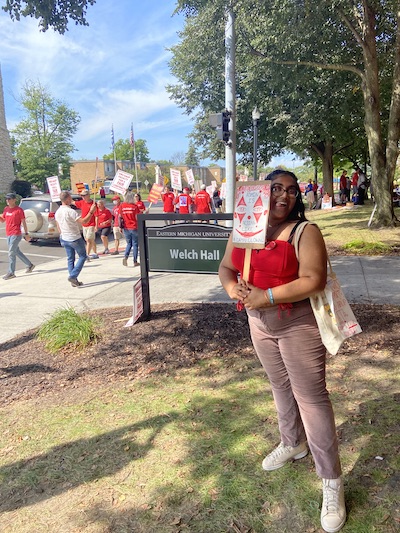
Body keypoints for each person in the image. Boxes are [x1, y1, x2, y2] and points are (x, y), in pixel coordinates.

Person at [218, 169, 346, 533]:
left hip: (297, 324)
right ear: (262, 191)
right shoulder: (247, 226)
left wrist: (267, 296)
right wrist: (233, 289)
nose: (284, 196)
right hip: (259, 323)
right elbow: (226, 267)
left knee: (312, 399)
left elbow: (313, 280)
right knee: (279, 387)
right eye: (276, 188)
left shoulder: (305, 232)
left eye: (291, 190)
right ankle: (292, 443)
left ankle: (332, 481)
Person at [55, 190, 97, 287]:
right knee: (83, 256)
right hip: (74, 237)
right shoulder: (70, 211)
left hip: (64, 237)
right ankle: (73, 276)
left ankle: (74, 280)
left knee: (70, 259)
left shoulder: (58, 212)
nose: (71, 200)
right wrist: (91, 212)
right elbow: (84, 222)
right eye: (70, 198)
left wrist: (62, 234)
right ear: (67, 199)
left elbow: (58, 226)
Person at [0, 192, 35, 280]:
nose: (7, 200)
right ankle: (29, 265)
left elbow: (23, 222)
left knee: (11, 253)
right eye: (7, 199)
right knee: (16, 251)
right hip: (8, 233)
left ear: (14, 200)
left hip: (16, 233)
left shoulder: (19, 210)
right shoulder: (6, 209)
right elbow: (3, 220)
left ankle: (11, 272)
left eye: (9, 199)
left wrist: (26, 233)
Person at [73, 190, 99, 260]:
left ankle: (87, 255)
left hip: (91, 224)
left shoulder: (93, 204)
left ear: (88, 195)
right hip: (84, 224)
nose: (82, 197)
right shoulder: (82, 202)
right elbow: (73, 202)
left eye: (84, 195)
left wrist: (96, 225)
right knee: (91, 240)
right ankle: (95, 252)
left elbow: (96, 215)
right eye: (81, 195)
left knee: (88, 239)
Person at [120, 191, 140, 267]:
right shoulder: (134, 207)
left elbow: (120, 216)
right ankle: (135, 261)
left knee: (129, 244)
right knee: (135, 244)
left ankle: (125, 256)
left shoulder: (122, 206)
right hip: (134, 226)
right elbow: (137, 217)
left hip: (126, 227)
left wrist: (120, 227)